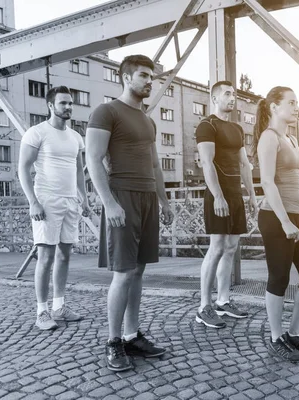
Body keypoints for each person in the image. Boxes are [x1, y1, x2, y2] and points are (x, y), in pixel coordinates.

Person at [85, 55, 174, 372]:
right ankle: (113, 342)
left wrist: (164, 202)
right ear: (125, 78)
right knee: (122, 272)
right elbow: (93, 160)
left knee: (138, 272)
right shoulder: (106, 112)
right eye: (143, 75)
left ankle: (132, 335)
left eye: (152, 76)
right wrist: (109, 203)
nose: (150, 81)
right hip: (121, 195)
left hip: (148, 197)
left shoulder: (149, 120)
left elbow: (154, 164)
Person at [254, 86, 299, 362]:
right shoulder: (269, 138)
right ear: (274, 107)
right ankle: (275, 337)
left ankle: (295, 333)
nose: (297, 108)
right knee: (279, 278)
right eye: (292, 103)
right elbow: (267, 182)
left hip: (298, 216)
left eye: (298, 103)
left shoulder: (292, 139)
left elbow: (298, 182)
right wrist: (284, 221)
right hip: (275, 217)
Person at [18, 86, 90, 331]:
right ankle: (42, 311)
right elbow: (23, 169)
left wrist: (85, 198)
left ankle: (59, 306)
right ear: (50, 105)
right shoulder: (37, 133)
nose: (68, 107)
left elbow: (79, 171)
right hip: (46, 200)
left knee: (64, 255)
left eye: (70, 103)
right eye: (63, 103)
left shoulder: (76, 136)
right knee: (46, 256)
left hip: (70, 201)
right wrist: (33, 202)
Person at [195, 81, 257, 328]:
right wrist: (218, 196)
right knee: (217, 247)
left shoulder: (237, 128)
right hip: (217, 194)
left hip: (235, 194)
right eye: (228, 94)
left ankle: (223, 301)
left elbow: (244, 165)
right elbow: (207, 163)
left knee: (231, 247)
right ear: (214, 98)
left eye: (235, 94)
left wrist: (251, 195)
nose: (233, 98)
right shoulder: (207, 126)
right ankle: (204, 306)